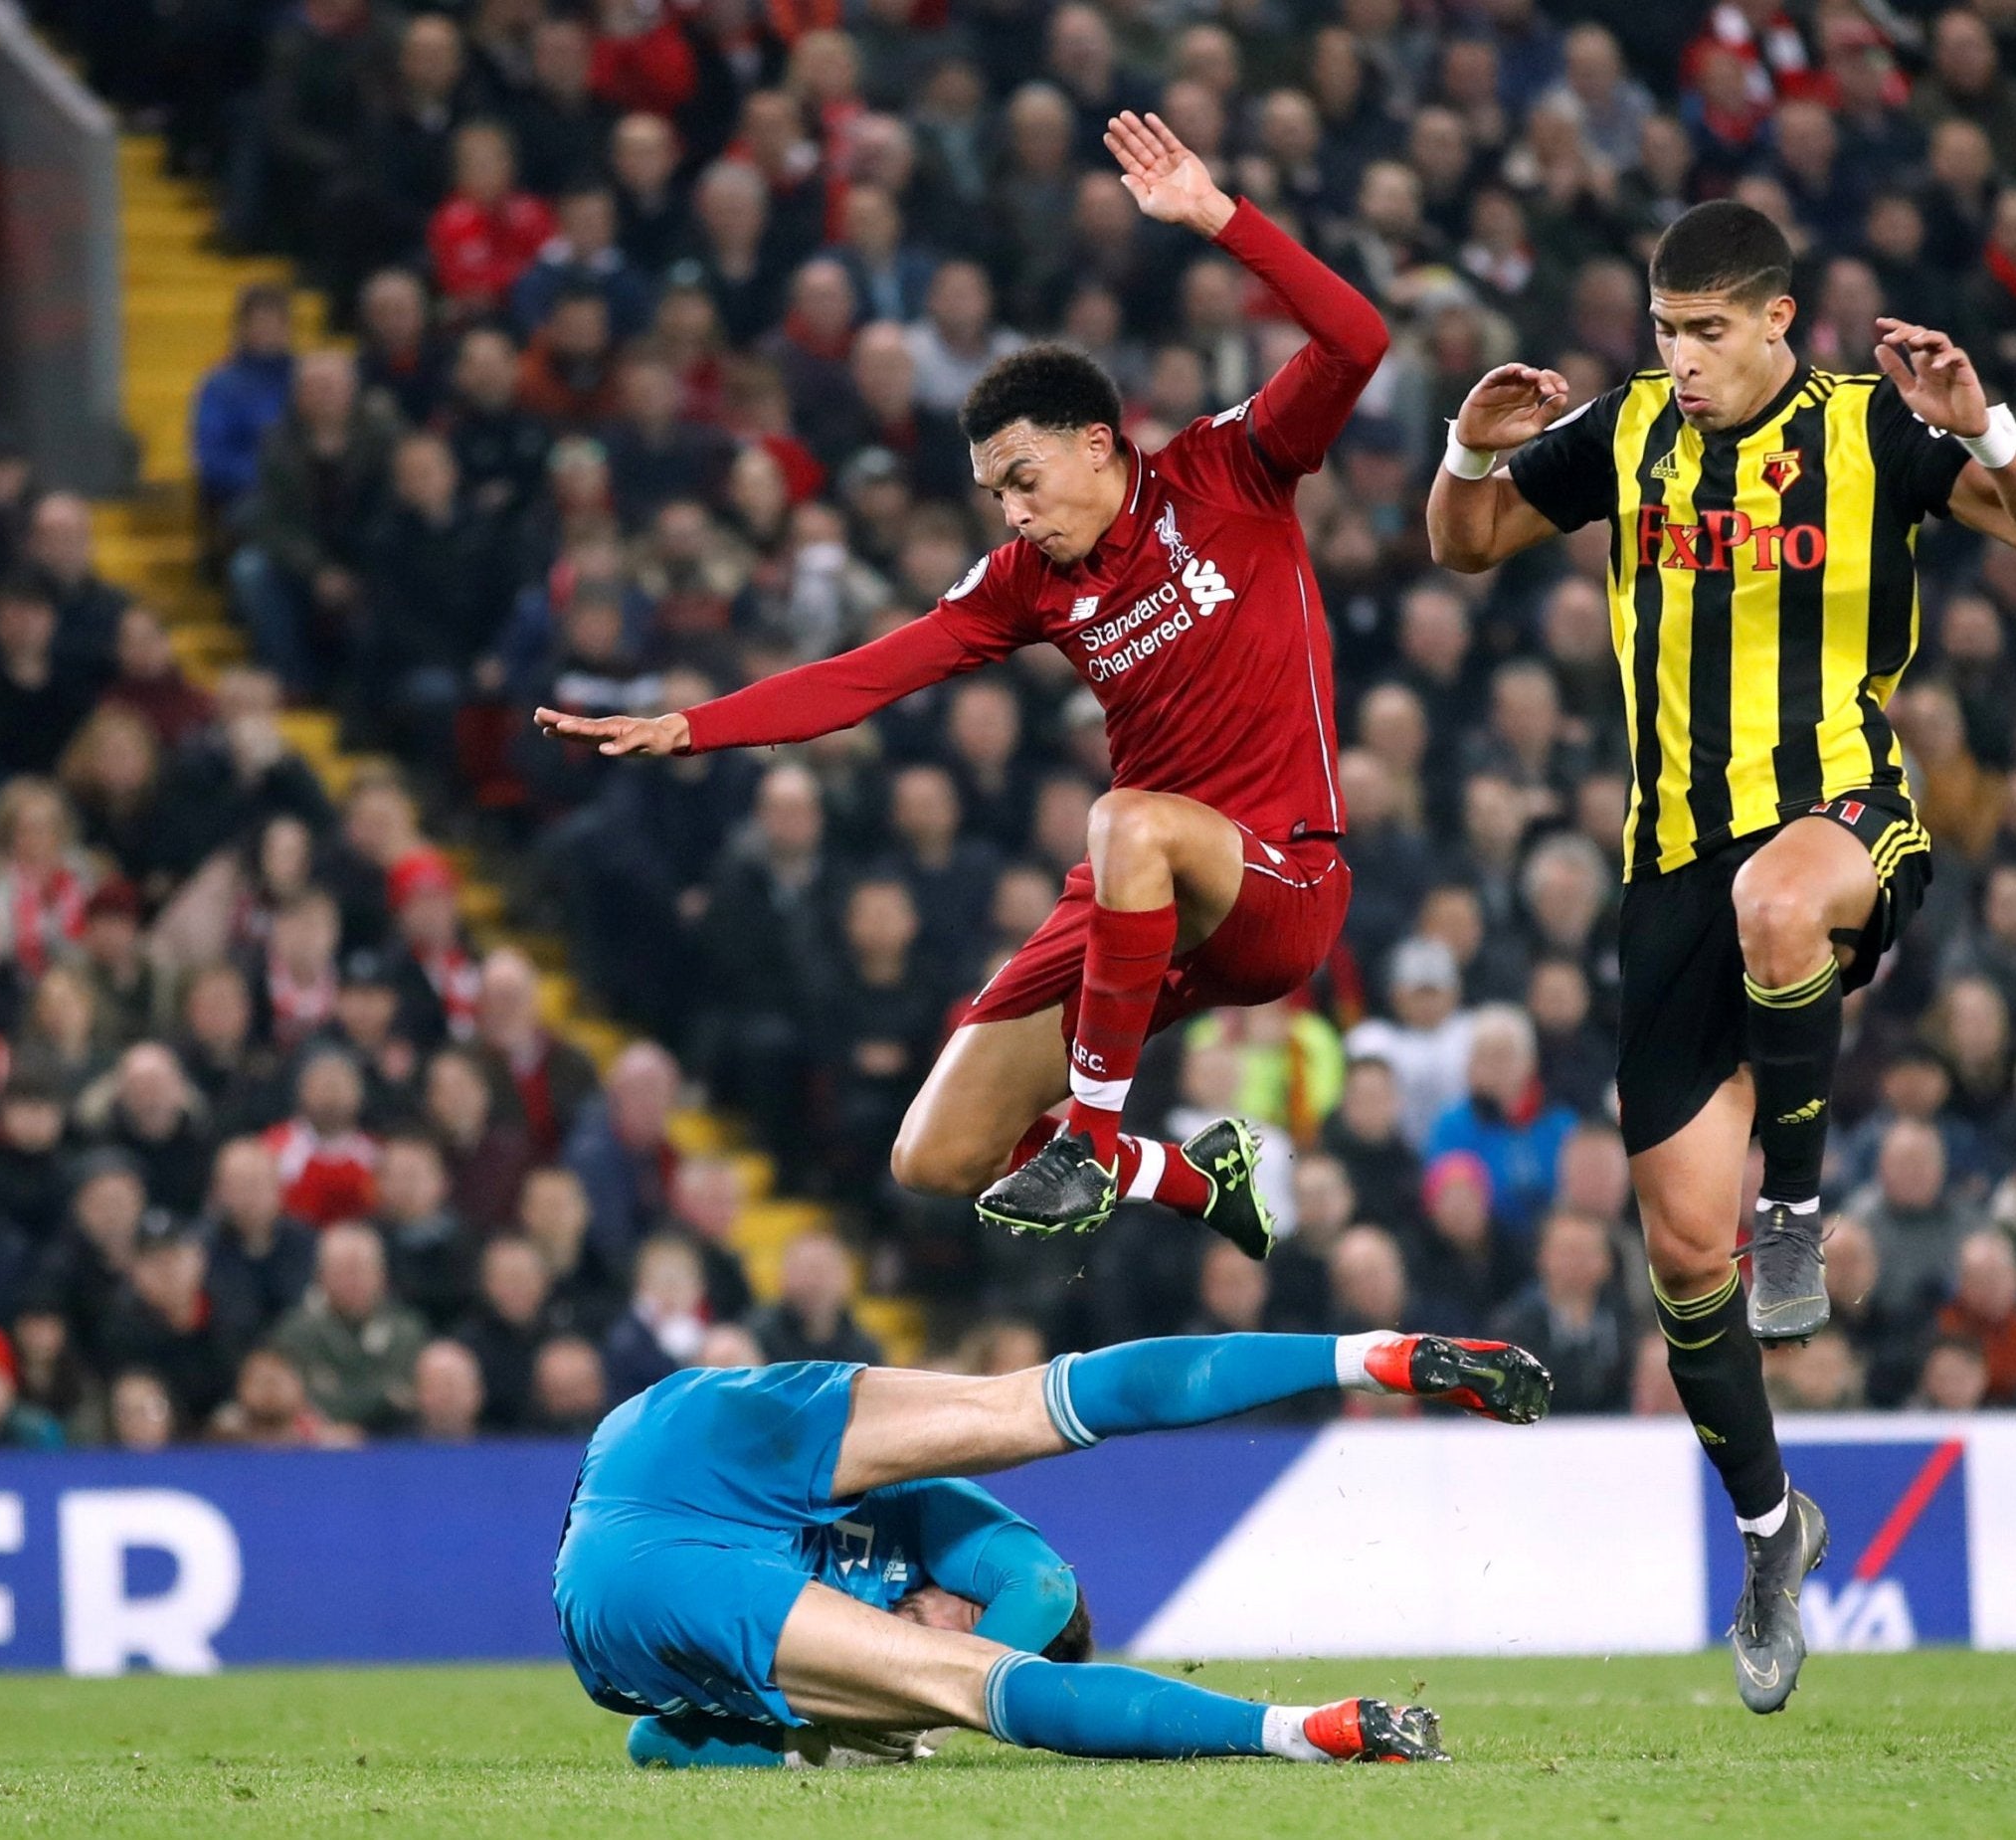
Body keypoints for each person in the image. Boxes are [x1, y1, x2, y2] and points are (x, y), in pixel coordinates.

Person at [1423, 197, 2016, 1712]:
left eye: (1708, 333)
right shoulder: (1626, 431)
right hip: (1664, 869)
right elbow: (1461, 547)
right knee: (1673, 1253)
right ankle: (1772, 1528)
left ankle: (1798, 1211)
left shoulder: (1869, 429)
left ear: (1777, 322)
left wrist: (1983, 430)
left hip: (1838, 811)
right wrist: (1467, 448)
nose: (1682, 359)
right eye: (1664, 331)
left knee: (1778, 908)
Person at [538, 113, 1387, 1265]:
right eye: (995, 495)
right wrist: (690, 723)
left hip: (1277, 877)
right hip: (1141, 892)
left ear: (1100, 443)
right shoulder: (1025, 580)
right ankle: (1185, 1174)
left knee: (1123, 820)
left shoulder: (1228, 470)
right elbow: (867, 675)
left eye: (1025, 479)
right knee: (935, 1152)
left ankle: (1090, 1141)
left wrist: (1217, 217)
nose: (1015, 513)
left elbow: (1356, 340)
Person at [558, 1328, 1548, 1769]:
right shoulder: (942, 1522)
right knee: (1031, 1404)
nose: (950, 1614)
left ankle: (1305, 1726)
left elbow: (658, 1740)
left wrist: (865, 1723)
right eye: (961, 1608)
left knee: (975, 1665)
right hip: (679, 1435)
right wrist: (941, 1698)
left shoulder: (830, 1689)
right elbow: (1037, 1580)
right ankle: (1365, 1352)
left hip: (626, 1577)